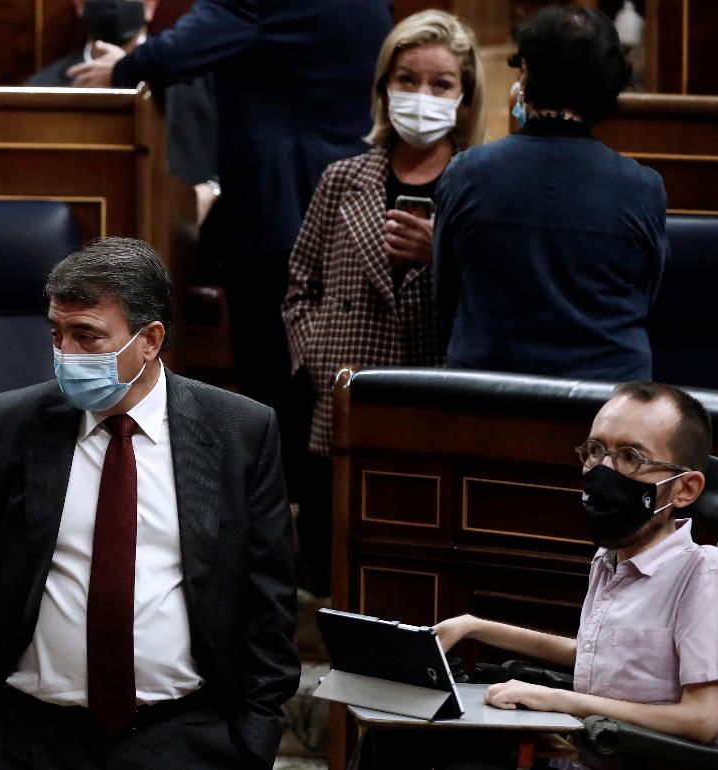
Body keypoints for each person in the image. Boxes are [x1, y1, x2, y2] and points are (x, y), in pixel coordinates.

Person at [0, 237, 298, 770]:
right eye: (57, 335)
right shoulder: (4, 426)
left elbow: (270, 604)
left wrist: (251, 740)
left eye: (87, 336)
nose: (66, 356)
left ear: (149, 340)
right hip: (27, 741)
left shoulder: (240, 431)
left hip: (186, 741)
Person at [68, 0, 392, 505]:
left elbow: (179, 51)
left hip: (282, 208)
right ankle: (319, 531)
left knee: (274, 381)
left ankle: (280, 525)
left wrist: (121, 68)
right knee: (327, 372)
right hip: (351, 199)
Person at [432, 382, 718, 767]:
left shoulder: (705, 572)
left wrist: (559, 701)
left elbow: (702, 720)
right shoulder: (608, 558)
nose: (604, 470)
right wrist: (474, 626)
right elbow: (600, 655)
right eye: (596, 450)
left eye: (631, 456)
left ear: (684, 489)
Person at [282, 9, 486, 595]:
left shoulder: (476, 184)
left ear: (464, 96)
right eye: (407, 79)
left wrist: (437, 258)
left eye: (440, 84)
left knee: (415, 559)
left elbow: (494, 298)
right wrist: (317, 359)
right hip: (345, 400)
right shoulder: (342, 178)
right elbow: (299, 286)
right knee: (332, 561)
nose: (421, 95)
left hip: (433, 400)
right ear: (383, 88)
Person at [434, 5, 667, 380]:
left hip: (485, 394)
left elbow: (445, 295)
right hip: (608, 408)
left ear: (525, 74)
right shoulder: (642, 188)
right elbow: (646, 296)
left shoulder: (466, 174)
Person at [27, 0, 219, 219]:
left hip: (183, 234)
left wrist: (214, 190)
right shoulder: (40, 90)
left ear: (151, 6)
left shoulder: (200, 80)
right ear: (79, 4)